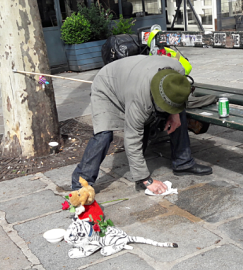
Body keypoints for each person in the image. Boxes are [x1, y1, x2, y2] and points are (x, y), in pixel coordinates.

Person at [71, 55, 212, 195]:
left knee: (179, 114)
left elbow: (175, 97)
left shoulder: (178, 73)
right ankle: (81, 182)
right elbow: (132, 139)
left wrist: (174, 114)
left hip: (134, 74)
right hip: (107, 83)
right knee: (104, 134)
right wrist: (146, 180)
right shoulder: (139, 100)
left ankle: (183, 162)